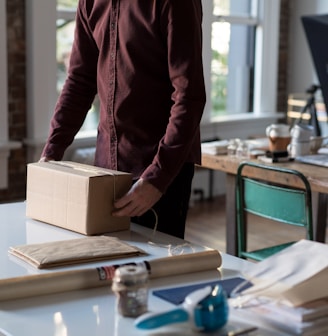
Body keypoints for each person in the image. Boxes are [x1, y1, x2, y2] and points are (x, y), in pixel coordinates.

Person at [40, 0, 206, 239]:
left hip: (159, 170)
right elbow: (79, 82)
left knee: (154, 272)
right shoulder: (89, 2)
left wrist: (157, 178)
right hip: (105, 172)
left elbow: (189, 97)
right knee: (107, 269)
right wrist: (50, 154)